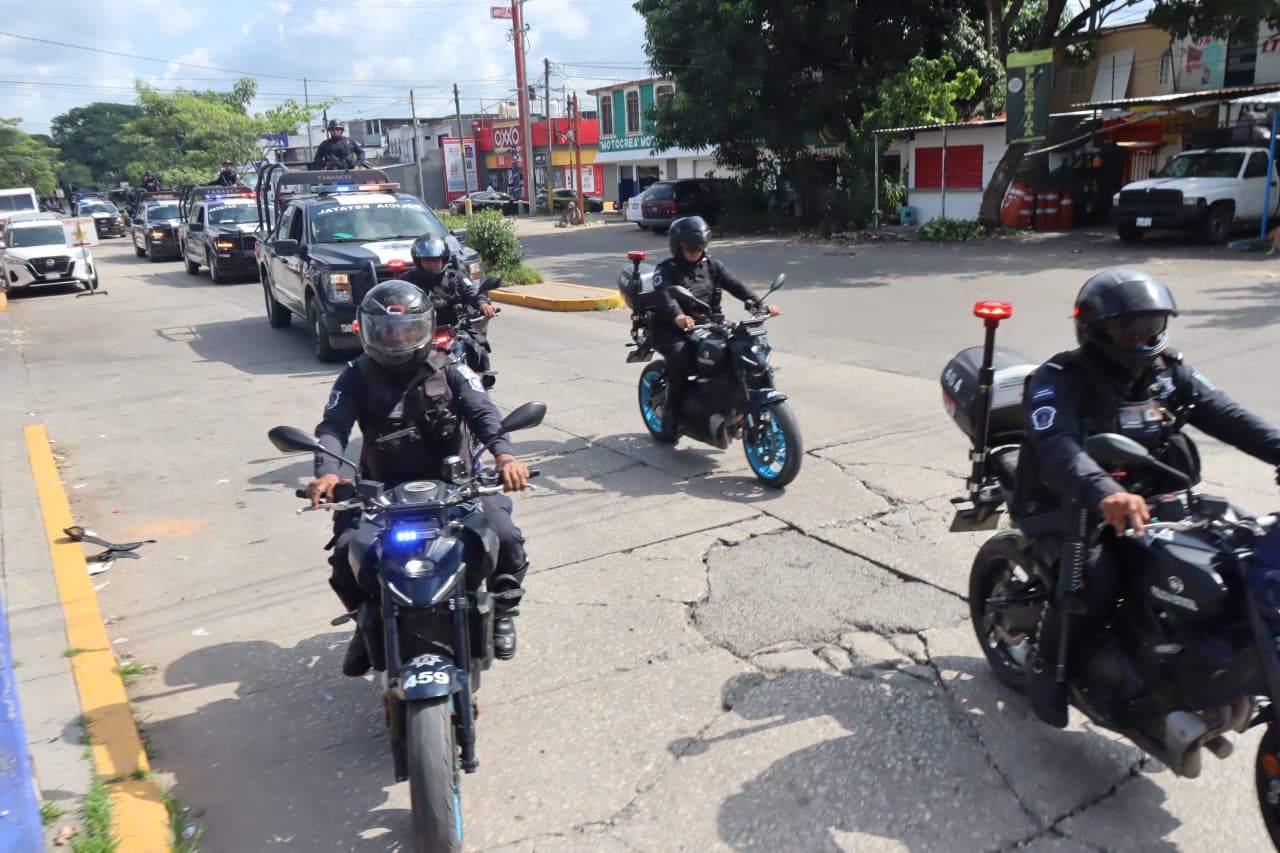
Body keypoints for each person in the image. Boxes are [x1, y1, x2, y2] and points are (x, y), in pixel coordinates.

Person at [1013, 268, 1280, 727]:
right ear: (1094, 328)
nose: (1142, 337)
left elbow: (1229, 415)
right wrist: (1105, 491)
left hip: (1151, 499)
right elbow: (1057, 448)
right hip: (1067, 502)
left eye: (1152, 325)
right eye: (1128, 328)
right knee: (1097, 578)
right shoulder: (1060, 379)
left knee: (1229, 561)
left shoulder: (1170, 372)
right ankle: (1046, 665)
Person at [305, 281, 531, 675]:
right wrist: (327, 473)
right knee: (345, 556)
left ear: (424, 328)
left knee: (505, 537)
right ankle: (364, 621)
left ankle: (504, 609)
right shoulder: (355, 375)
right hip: (382, 493)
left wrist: (505, 455)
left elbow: (483, 411)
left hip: (458, 486)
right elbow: (334, 427)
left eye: (406, 330)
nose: (396, 340)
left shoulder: (451, 368)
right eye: (386, 332)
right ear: (368, 332)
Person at [652, 215, 781, 432]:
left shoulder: (711, 264)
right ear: (678, 247)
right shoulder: (666, 269)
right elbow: (666, 297)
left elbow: (736, 284)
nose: (696, 252)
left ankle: (729, 402)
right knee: (682, 359)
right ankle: (671, 410)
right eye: (691, 249)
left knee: (736, 351)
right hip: (672, 328)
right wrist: (679, 317)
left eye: (700, 248)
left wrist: (761, 304)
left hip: (708, 324)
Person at [400, 235, 497, 374]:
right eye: (427, 260)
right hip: (419, 335)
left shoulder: (455, 277)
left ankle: (481, 380)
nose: (432, 264)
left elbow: (472, 292)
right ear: (418, 260)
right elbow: (393, 298)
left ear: (444, 259)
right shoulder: (406, 281)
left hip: (454, 330)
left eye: (436, 260)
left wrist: (483, 304)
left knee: (478, 347)